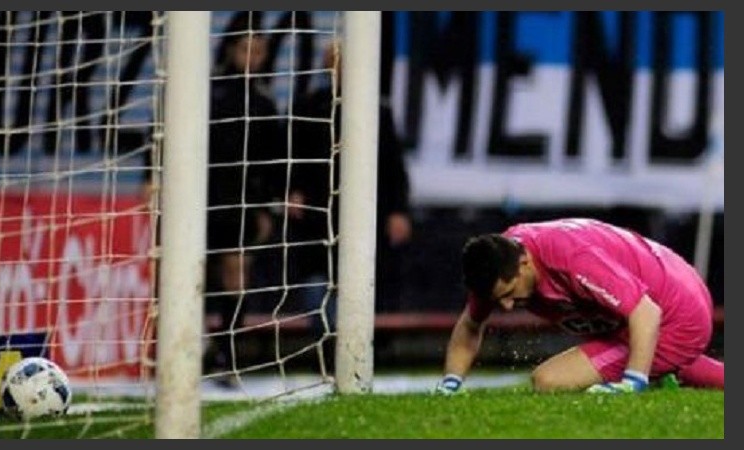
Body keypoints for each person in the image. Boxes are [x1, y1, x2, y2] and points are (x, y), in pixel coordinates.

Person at [436, 217, 724, 394]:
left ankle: (653, 372)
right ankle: (668, 370)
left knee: (549, 381)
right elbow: (471, 326)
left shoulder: (570, 257)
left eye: (510, 293)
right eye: (499, 300)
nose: (508, 306)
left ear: (525, 263)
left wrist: (632, 382)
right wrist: (450, 384)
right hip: (662, 295)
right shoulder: (498, 263)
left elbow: (646, 312)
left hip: (677, 314)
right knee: (647, 351)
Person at [287, 41, 412, 368]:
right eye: (333, 61)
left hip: (367, 213)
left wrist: (399, 210)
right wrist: (293, 189)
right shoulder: (309, 106)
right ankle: (326, 346)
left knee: (364, 277)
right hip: (320, 211)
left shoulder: (376, 110)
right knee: (319, 278)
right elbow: (293, 156)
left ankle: (363, 348)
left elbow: (394, 166)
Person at [202, 13, 285, 386]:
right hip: (202, 197)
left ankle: (227, 355)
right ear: (232, 49)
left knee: (237, 272)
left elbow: (272, 161)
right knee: (197, 275)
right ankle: (199, 345)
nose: (253, 57)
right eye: (246, 49)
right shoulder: (209, 94)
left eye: (259, 51)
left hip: (244, 202)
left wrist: (267, 205)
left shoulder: (265, 103)